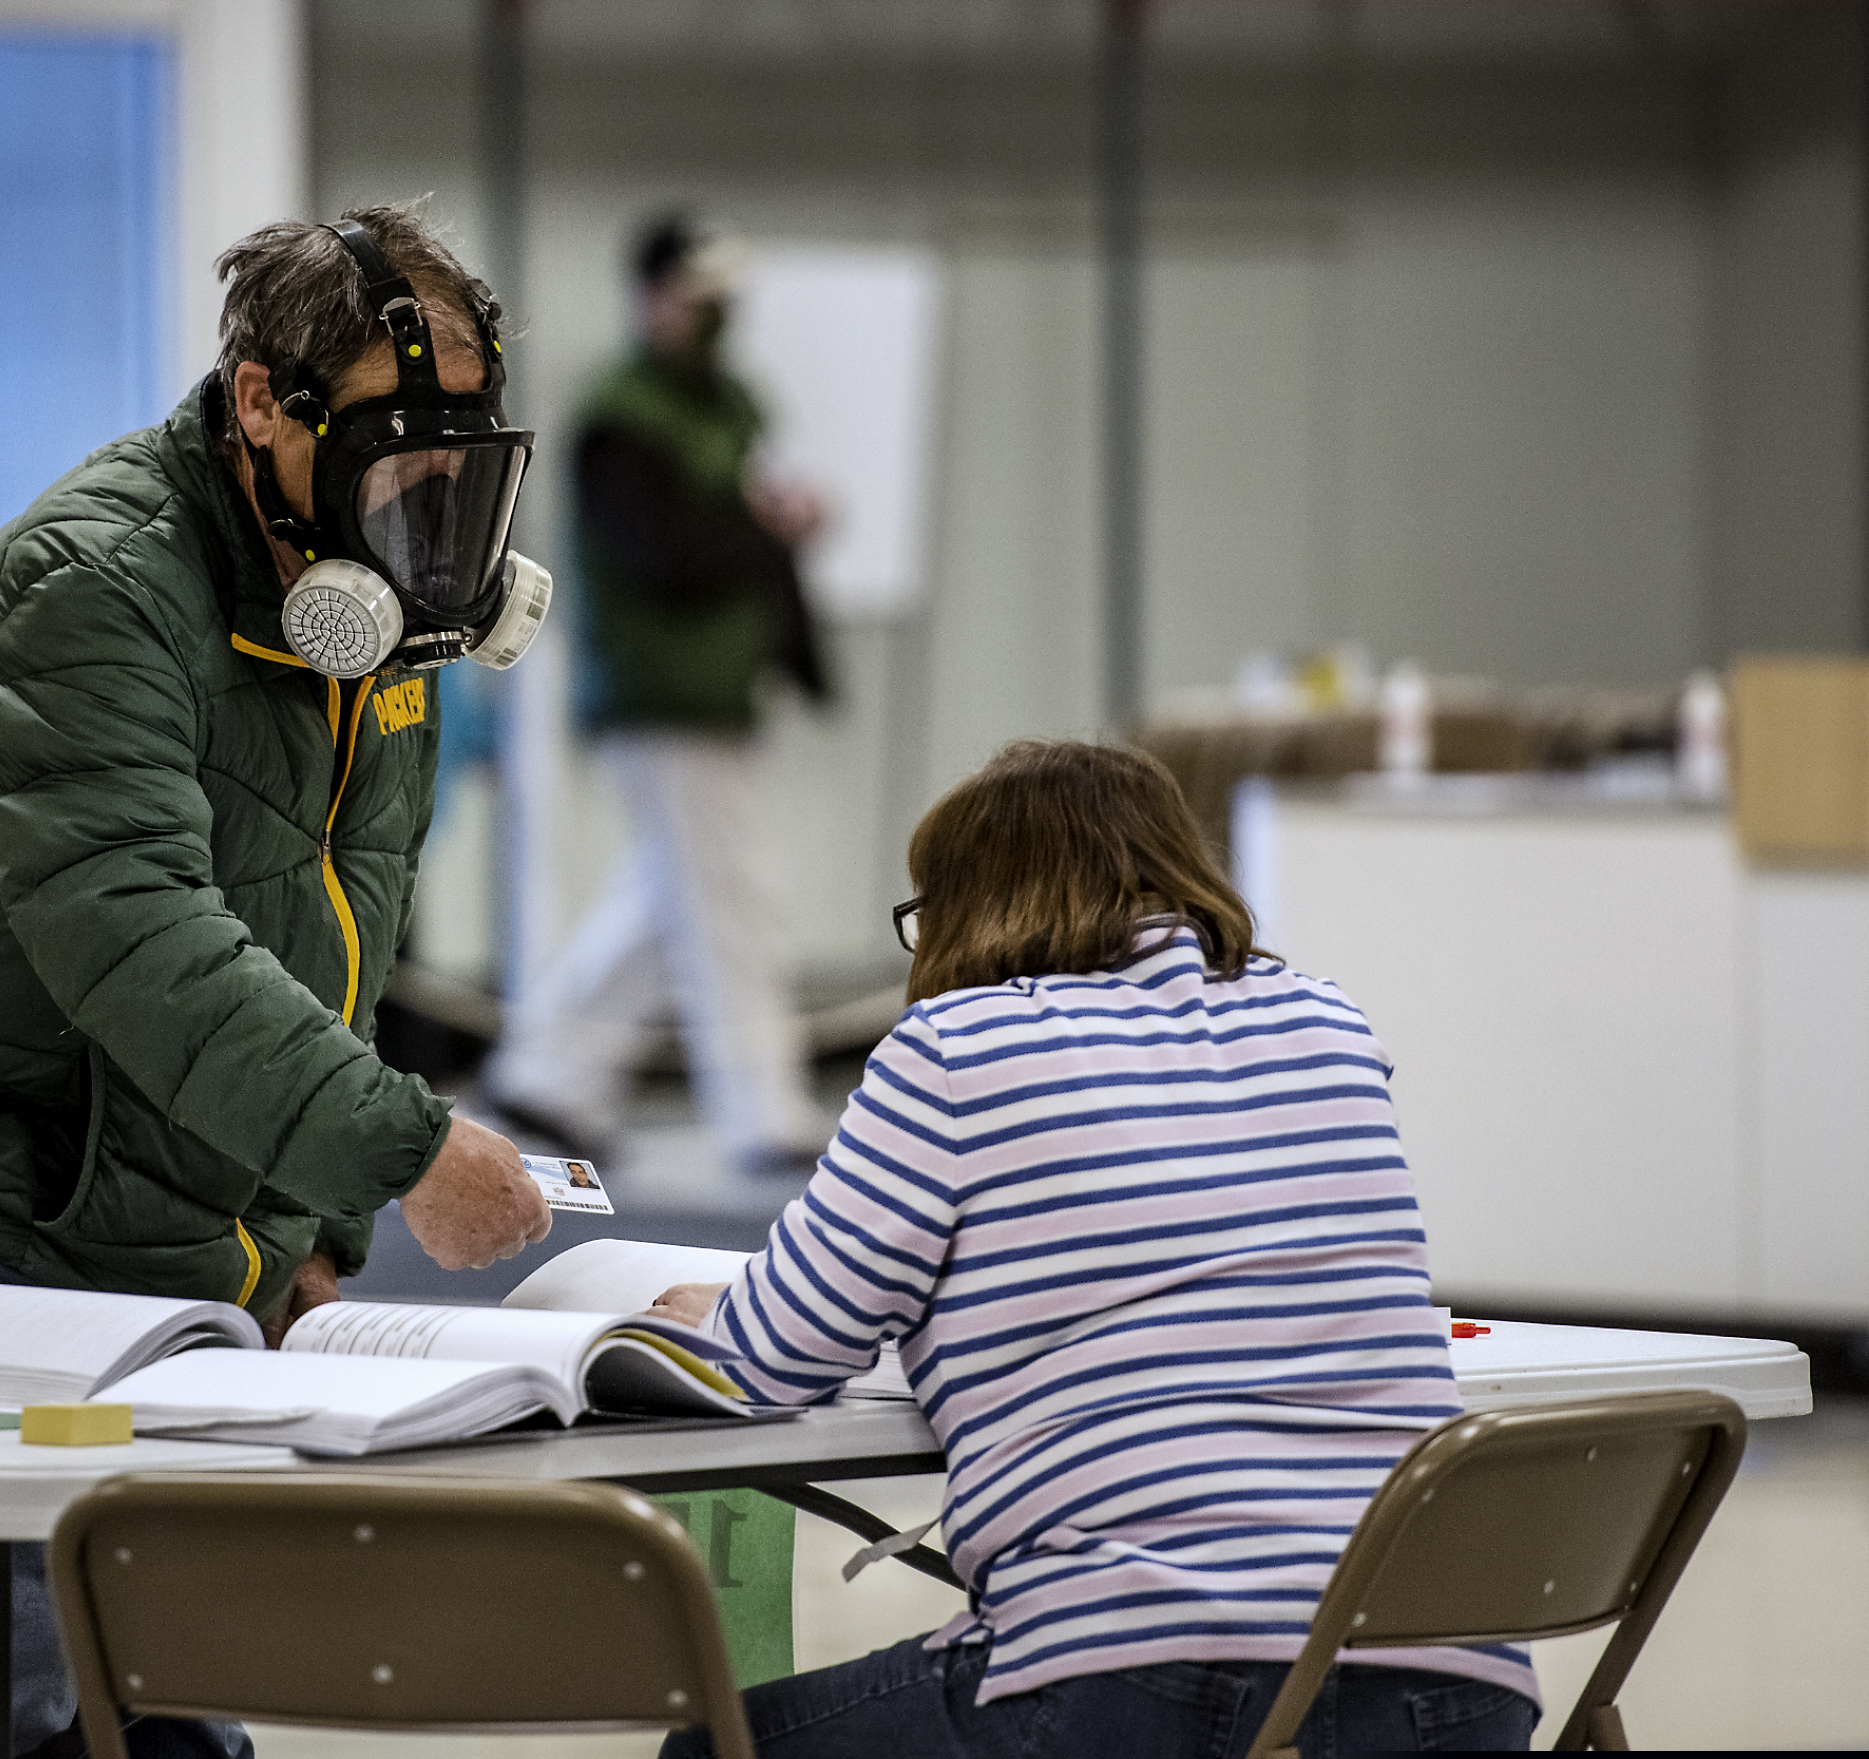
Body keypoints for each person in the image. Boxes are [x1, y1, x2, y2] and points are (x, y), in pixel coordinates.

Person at [0, 206, 556, 1759]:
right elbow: (142, 938)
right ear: (263, 404)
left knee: (172, 1668)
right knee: (7, 1688)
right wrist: (394, 1151)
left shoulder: (367, 620)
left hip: (164, 1188)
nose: (428, 514)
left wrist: (312, 1233)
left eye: (456, 473)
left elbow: (345, 925)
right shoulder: (96, 590)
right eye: (398, 462)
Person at [647, 741, 1541, 1758]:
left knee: (708, 1750)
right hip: (1451, 1676)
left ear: (967, 906)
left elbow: (771, 1358)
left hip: (1137, 1672)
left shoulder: (953, 1048)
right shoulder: (1328, 1024)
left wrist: (696, 1322)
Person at [480, 212, 835, 1176]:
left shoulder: (725, 406)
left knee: (666, 896)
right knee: (729, 900)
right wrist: (771, 531)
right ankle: (762, 1108)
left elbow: (733, 533)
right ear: (650, 295)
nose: (712, 313)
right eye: (694, 293)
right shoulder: (623, 417)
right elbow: (665, 557)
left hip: (717, 692)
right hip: (659, 694)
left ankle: (549, 1078)